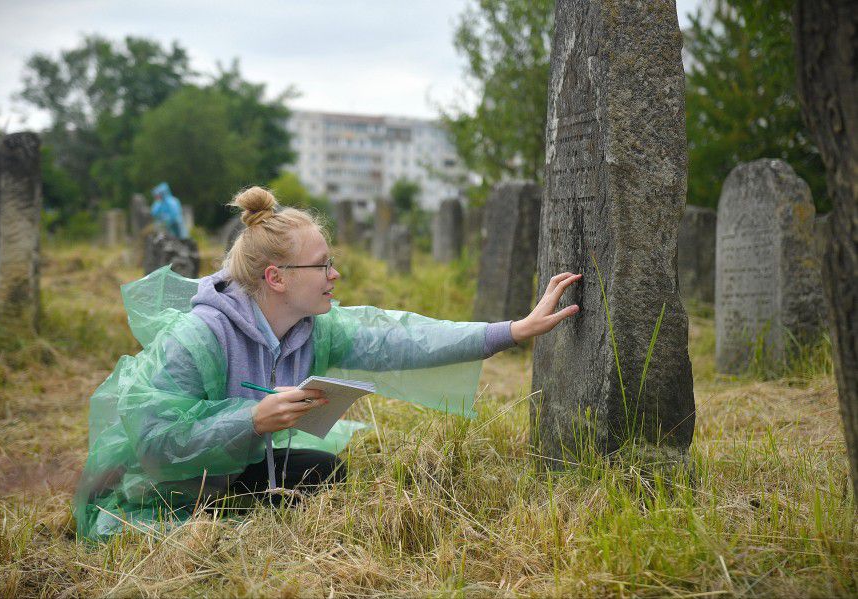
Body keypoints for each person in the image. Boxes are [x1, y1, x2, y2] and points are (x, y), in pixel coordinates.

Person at [74, 186, 581, 540]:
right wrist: (250, 419)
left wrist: (511, 331)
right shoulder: (200, 338)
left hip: (239, 466)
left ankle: (236, 504)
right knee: (175, 524)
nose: (334, 274)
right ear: (276, 277)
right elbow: (156, 442)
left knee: (326, 474)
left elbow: (401, 339)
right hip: (161, 481)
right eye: (322, 265)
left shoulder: (312, 326)